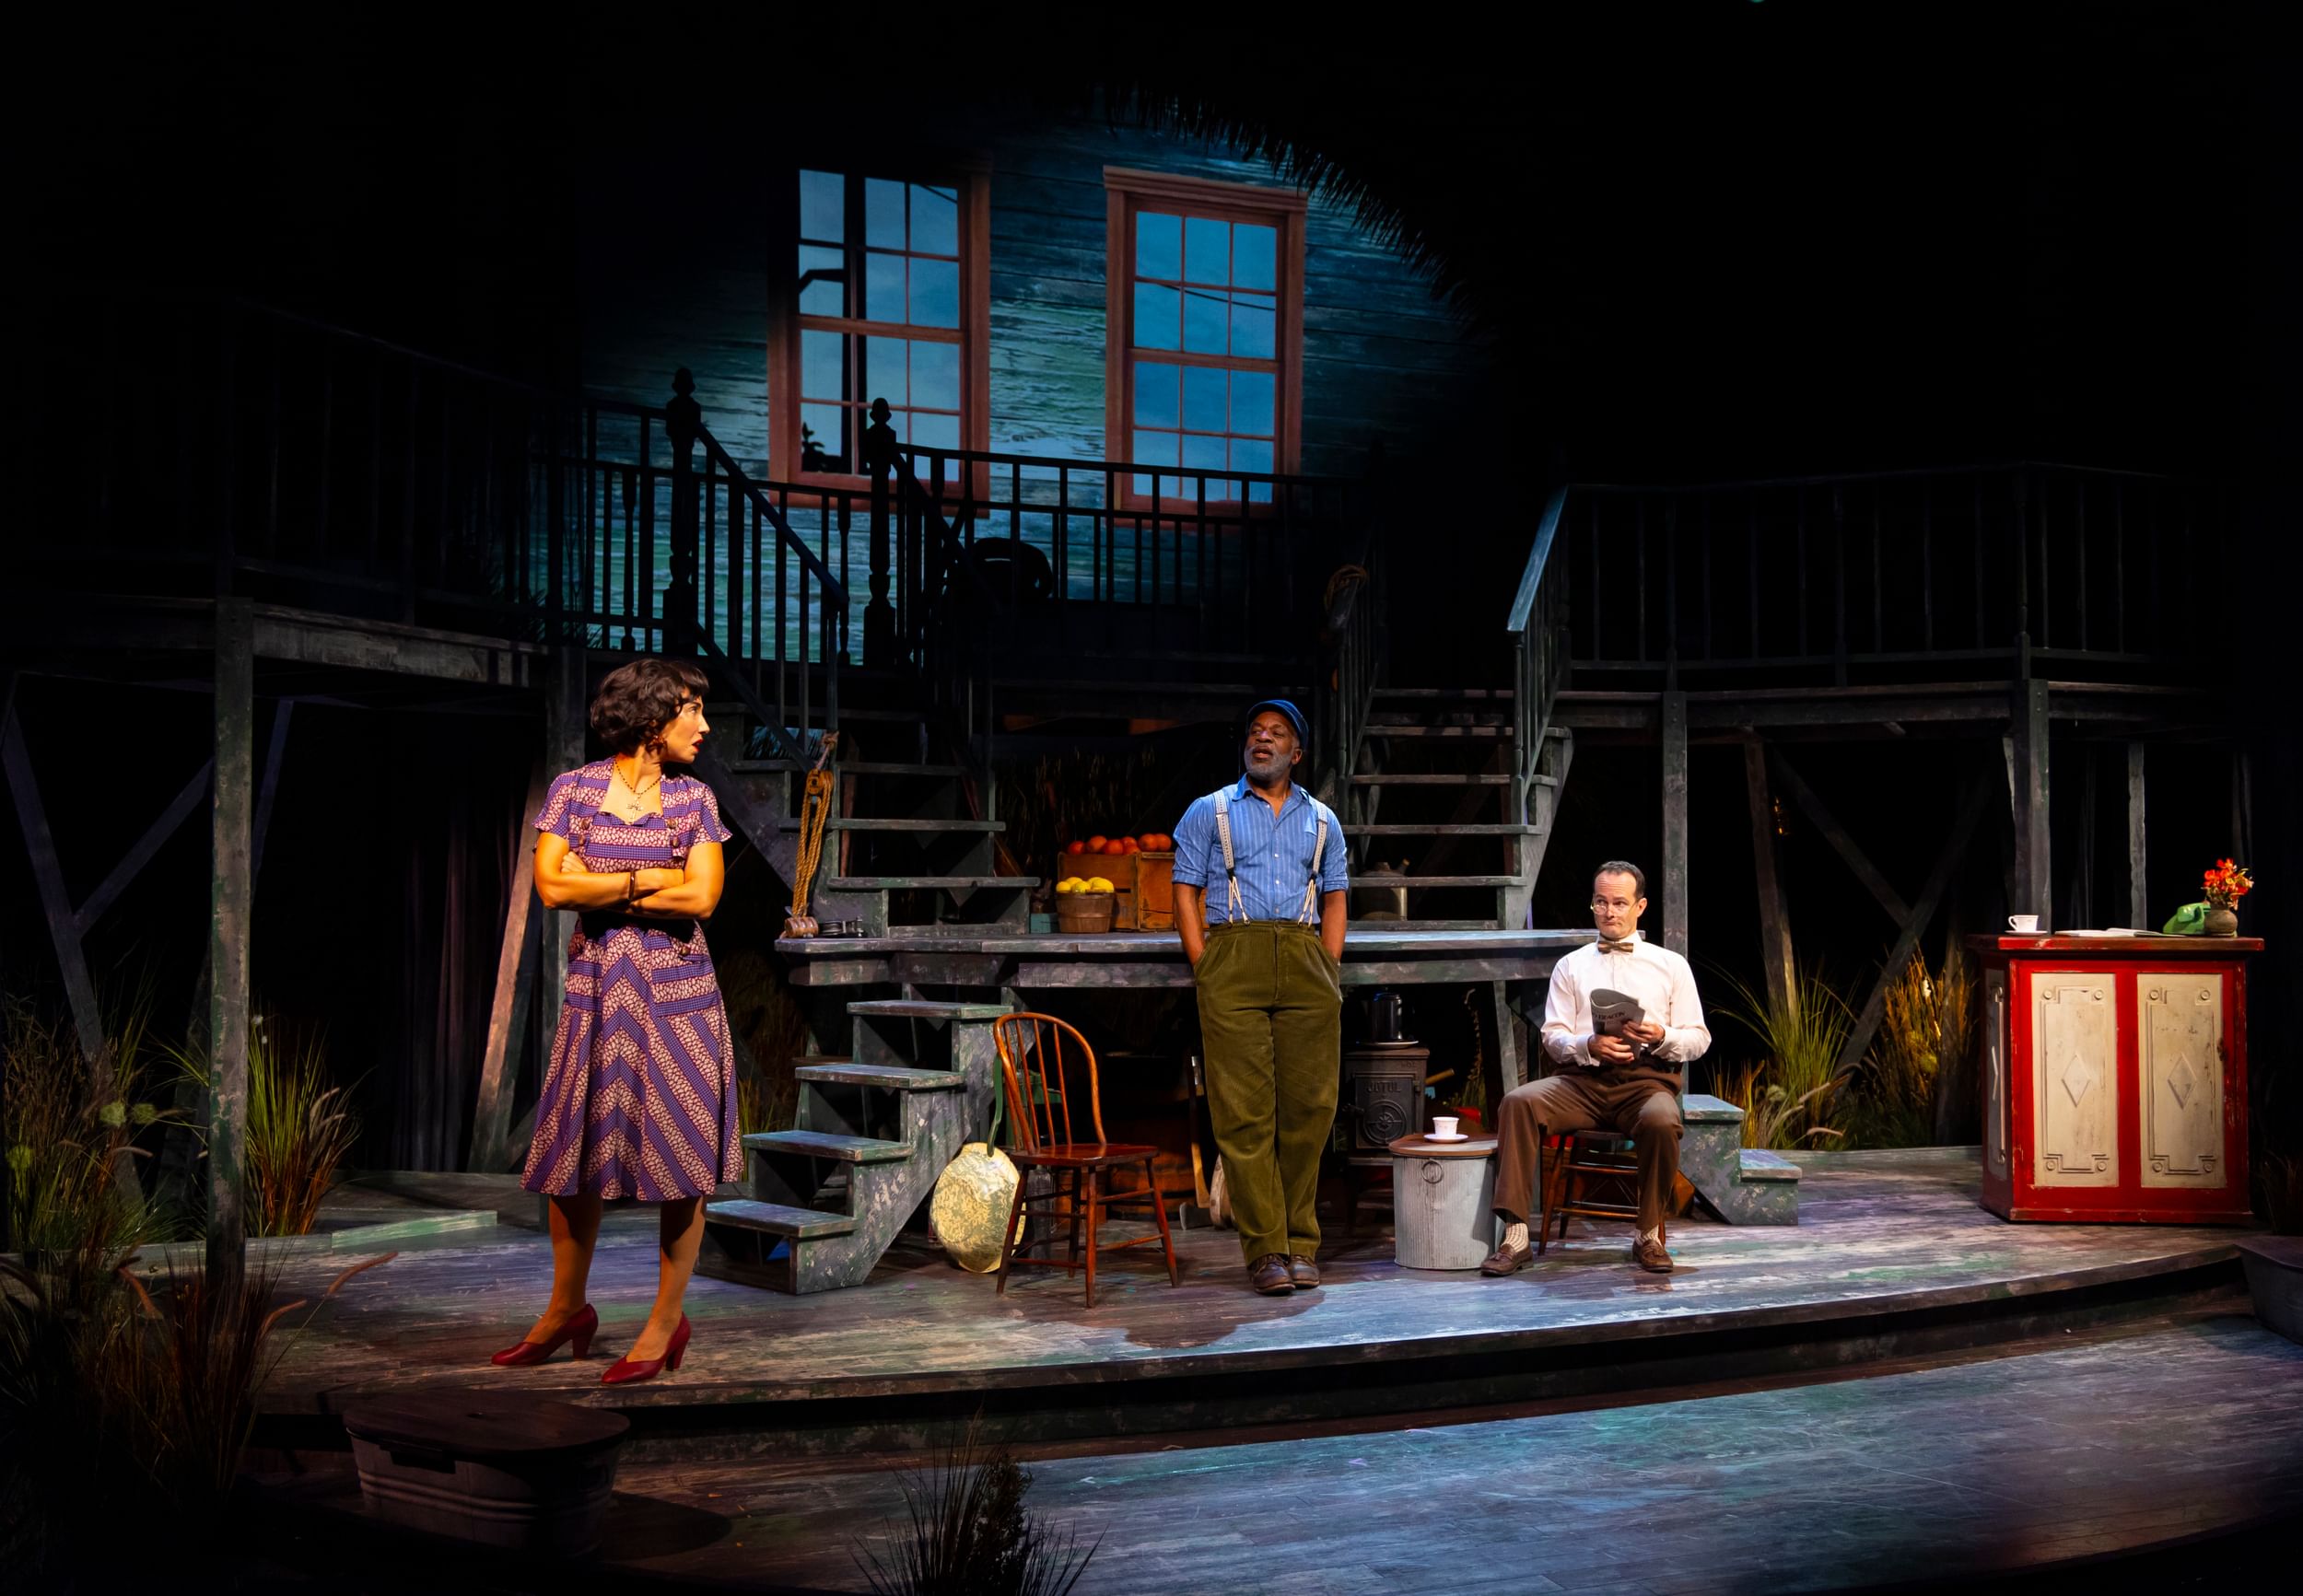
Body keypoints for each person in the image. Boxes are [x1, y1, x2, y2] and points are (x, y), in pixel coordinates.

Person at [493, 658, 737, 1383]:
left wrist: (601, 889)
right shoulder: (576, 789)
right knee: (575, 1155)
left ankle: (666, 1321)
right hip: (598, 995)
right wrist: (647, 878)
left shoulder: (694, 800)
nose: (705, 724)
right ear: (653, 719)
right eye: (691, 709)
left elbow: (701, 901)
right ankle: (567, 1306)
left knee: (682, 1157)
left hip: (678, 998)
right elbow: (548, 883)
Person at [1171, 700, 1350, 1296]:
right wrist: (1206, 965)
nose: (1263, 740)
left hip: (1304, 960)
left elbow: (1335, 897)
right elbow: (1185, 889)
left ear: (1296, 753)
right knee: (1243, 1111)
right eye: (1255, 731)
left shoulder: (1322, 819)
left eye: (1276, 734)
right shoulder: (1210, 810)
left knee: (1310, 1106)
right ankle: (1266, 1248)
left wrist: (1327, 961)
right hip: (1234, 957)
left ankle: (1302, 1241)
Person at [1483, 860, 1710, 1275]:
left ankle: (1647, 1235)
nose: (1609, 911)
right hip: (1582, 1084)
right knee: (1518, 1102)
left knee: (1662, 1120)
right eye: (1601, 902)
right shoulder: (1572, 965)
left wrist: (1660, 1036)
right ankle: (1515, 1236)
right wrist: (1588, 1043)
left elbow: (1699, 1038)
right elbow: (1553, 1036)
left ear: (1640, 907)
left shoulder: (1670, 965)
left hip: (1644, 1084)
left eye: (1619, 903)